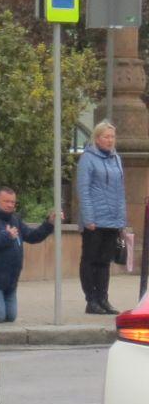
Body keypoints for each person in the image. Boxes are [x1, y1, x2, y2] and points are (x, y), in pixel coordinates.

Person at [0, 186, 54, 325]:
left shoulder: (15, 219)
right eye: (6, 201)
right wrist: (6, 236)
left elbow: (32, 236)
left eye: (13, 202)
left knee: (10, 317)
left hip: (10, 280)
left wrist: (49, 224)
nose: (10, 205)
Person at [76, 120, 127, 315]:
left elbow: (120, 191)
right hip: (94, 220)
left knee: (105, 261)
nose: (110, 140)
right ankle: (92, 300)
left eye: (112, 137)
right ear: (97, 138)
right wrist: (89, 218)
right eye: (106, 136)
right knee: (90, 259)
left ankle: (103, 299)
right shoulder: (88, 159)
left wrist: (121, 220)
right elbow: (83, 190)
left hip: (112, 220)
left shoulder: (116, 159)